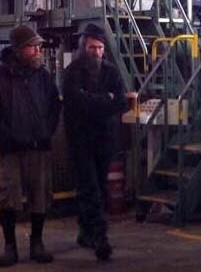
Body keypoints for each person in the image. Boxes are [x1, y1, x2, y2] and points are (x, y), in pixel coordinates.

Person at [62, 24, 132, 261]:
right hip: (80, 140)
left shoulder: (111, 72)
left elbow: (122, 102)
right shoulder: (72, 72)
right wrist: (106, 101)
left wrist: (96, 101)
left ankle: (86, 231)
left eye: (100, 48)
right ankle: (100, 237)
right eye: (92, 47)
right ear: (84, 47)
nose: (97, 52)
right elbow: (76, 102)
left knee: (98, 186)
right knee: (90, 187)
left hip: (104, 139)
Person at [0, 25, 61, 266]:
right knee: (8, 197)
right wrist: (6, 138)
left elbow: (54, 106)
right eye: (32, 46)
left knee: (40, 195)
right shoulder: (2, 76)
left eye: (38, 46)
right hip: (10, 149)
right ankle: (10, 246)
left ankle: (37, 243)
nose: (38, 50)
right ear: (18, 49)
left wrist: (46, 132)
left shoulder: (43, 76)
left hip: (38, 145)